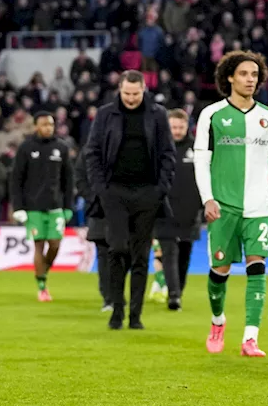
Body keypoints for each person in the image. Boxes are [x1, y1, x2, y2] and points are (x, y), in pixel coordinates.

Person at [194, 51, 268, 357]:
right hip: (223, 208)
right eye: (243, 74)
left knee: (257, 267)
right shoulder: (211, 115)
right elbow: (201, 159)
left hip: (259, 209)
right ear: (229, 78)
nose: (250, 79)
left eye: (254, 74)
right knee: (219, 271)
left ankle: (250, 338)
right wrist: (207, 198)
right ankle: (217, 321)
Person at [83, 70, 177, 331]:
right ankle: (116, 310)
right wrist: (101, 188)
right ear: (120, 90)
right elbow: (92, 152)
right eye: (127, 94)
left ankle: (135, 316)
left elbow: (168, 153)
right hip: (115, 193)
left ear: (144, 89)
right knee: (117, 250)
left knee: (140, 255)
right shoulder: (105, 114)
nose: (132, 98)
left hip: (148, 193)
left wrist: (161, 188)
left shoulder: (158, 114)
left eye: (136, 94)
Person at [10, 112, 75, 302]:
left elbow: (68, 180)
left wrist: (68, 206)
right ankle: (42, 287)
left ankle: (42, 272)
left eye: (51, 124)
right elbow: (16, 179)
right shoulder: (26, 148)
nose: (48, 128)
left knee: (55, 245)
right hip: (33, 208)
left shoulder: (61, 148)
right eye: (44, 124)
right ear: (36, 126)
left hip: (55, 207)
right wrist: (18, 207)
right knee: (38, 246)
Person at [152, 108, 201, 311]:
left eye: (181, 127)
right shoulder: (156, 148)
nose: (178, 131)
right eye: (174, 127)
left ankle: (178, 291)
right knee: (169, 254)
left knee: (184, 256)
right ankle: (173, 297)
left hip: (190, 213)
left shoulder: (198, 149)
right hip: (164, 212)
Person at [76, 148, 112, 311]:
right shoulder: (89, 150)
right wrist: (93, 197)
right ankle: (108, 297)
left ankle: (116, 294)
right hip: (99, 211)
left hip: (123, 208)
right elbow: (80, 177)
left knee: (123, 253)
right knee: (103, 253)